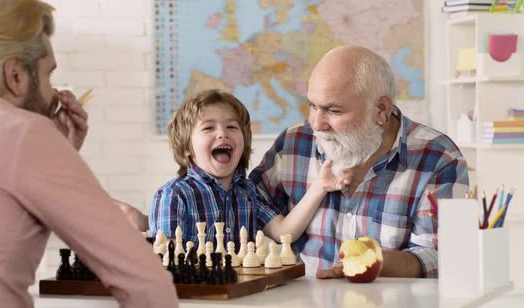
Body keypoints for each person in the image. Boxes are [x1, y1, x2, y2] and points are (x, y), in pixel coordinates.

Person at [0, 0, 177, 308]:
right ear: (15, 75)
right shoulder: (23, 133)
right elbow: (146, 281)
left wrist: (61, 153)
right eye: (48, 75)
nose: (53, 93)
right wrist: (48, 146)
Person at [249, 45, 469, 279]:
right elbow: (249, 207)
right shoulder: (292, 144)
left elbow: (439, 257)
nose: (317, 123)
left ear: (381, 109)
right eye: (313, 106)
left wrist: (372, 262)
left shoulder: (438, 157)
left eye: (333, 110)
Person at [149, 89, 351, 248]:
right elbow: (166, 257)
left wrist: (319, 187)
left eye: (232, 127)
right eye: (208, 128)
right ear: (187, 148)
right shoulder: (173, 195)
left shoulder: (248, 192)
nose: (222, 134)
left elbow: (284, 233)